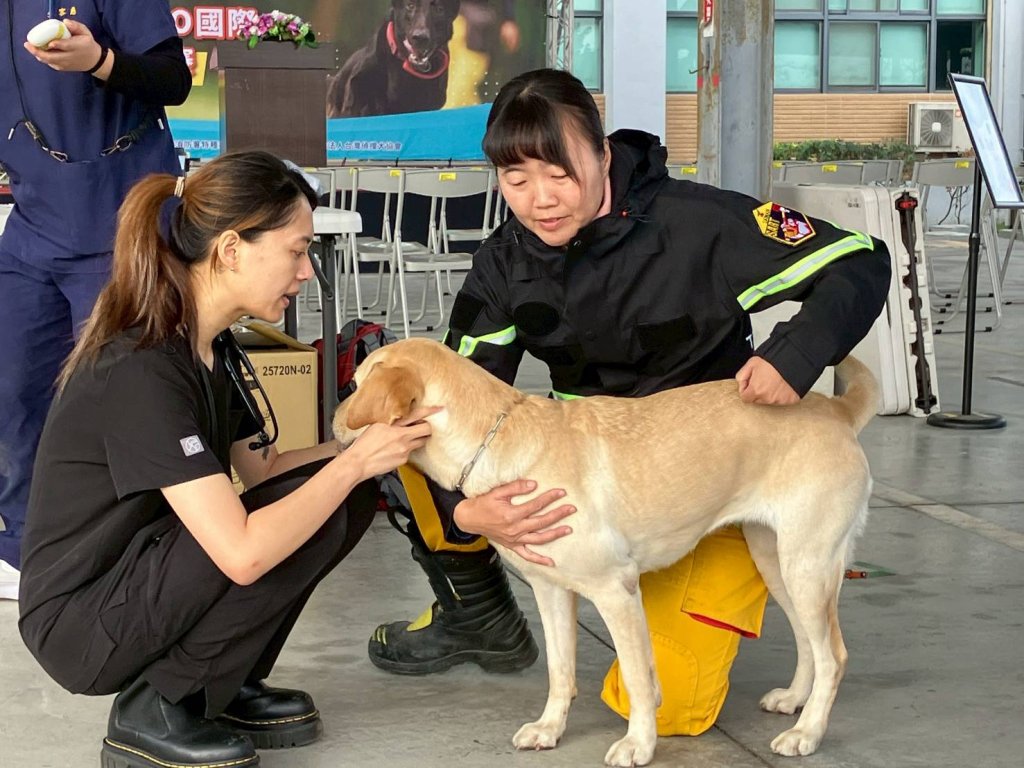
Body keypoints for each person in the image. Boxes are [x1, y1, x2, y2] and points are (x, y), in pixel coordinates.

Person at [370, 68, 891, 736]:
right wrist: (464, 512)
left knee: (669, 706)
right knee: (407, 439)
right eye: (515, 179)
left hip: (719, 469)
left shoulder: (701, 222)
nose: (540, 200)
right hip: (595, 485)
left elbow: (859, 259)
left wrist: (793, 355)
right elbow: (458, 401)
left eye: (559, 173)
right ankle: (474, 606)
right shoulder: (504, 263)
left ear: (603, 153)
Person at [18, 151, 438, 768]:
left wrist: (367, 446)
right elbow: (242, 552)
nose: (306, 271)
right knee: (316, 501)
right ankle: (157, 705)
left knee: (339, 495)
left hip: (147, 569)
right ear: (232, 249)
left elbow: (268, 471)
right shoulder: (143, 368)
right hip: (84, 620)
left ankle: (222, 681)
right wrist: (353, 464)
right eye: (297, 251)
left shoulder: (214, 347)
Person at [0, 0, 191, 600]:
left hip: (123, 219)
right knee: (14, 389)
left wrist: (100, 61)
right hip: (34, 225)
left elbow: (174, 80)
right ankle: (25, 550)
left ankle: (130, 552)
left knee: (121, 398)